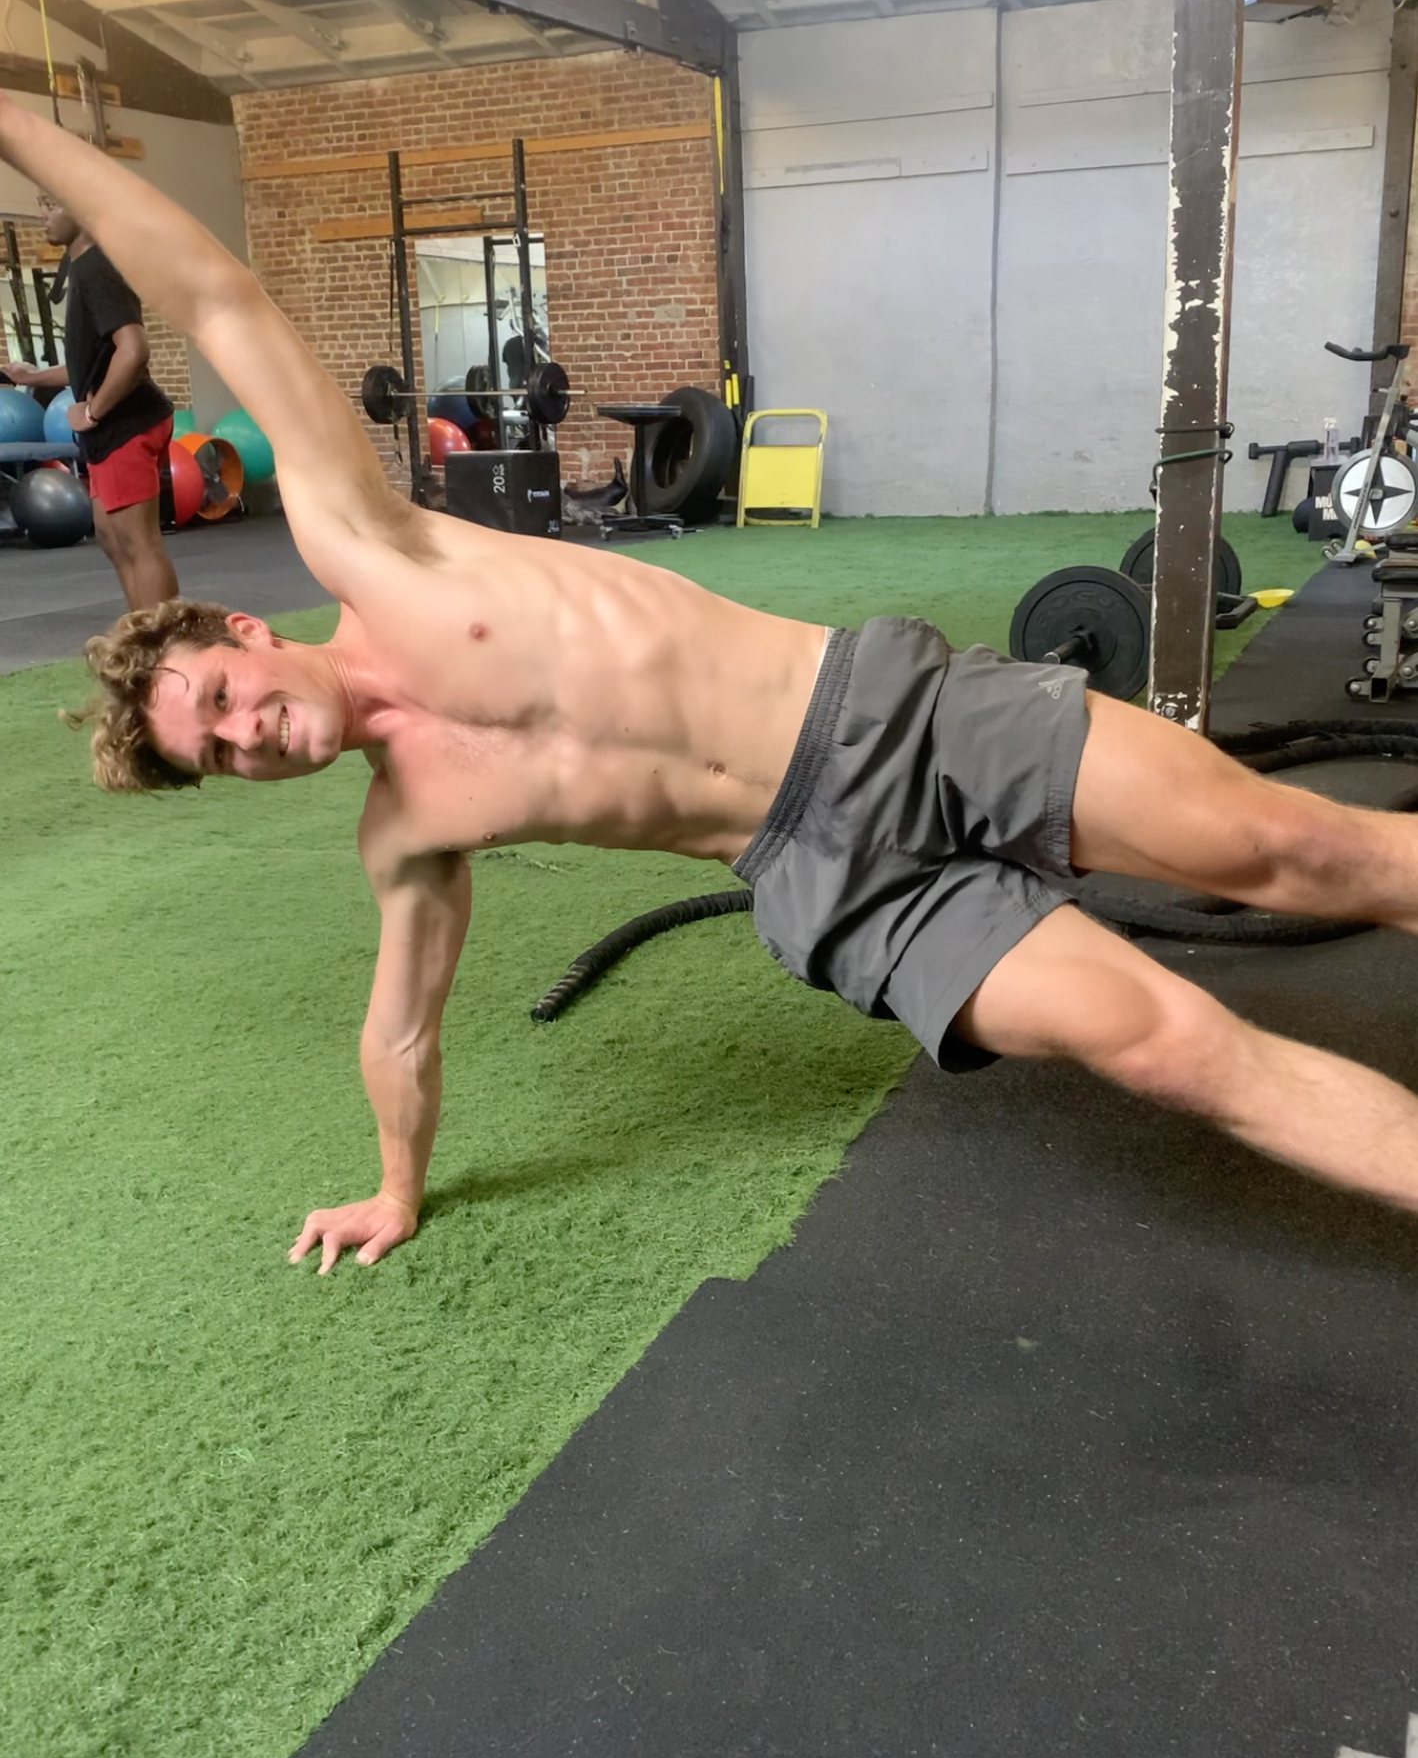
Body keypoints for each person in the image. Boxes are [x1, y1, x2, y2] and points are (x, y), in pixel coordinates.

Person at [5, 95, 1418, 1280]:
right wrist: (392, 1184)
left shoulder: (371, 544)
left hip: (884, 717)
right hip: (826, 880)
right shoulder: (408, 829)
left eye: (222, 700)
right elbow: (402, 1025)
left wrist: (18, 123)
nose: (249, 736)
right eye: (221, 756)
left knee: (1293, 851)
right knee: (1170, 1047)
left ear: (245, 632)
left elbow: (215, 297)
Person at [0, 188, 178, 611]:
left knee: (138, 542)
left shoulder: (98, 268)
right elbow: (92, 361)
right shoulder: (82, 267)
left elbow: (133, 350)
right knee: (113, 539)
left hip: (126, 422)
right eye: (41, 205)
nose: (43, 215)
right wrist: (34, 376)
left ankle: (169, 641)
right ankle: (143, 634)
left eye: (52, 204)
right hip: (111, 428)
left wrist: (93, 412)